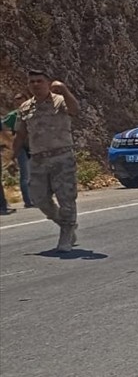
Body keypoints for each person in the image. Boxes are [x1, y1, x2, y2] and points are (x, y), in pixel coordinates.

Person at [12, 69, 81, 252]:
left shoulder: (59, 101)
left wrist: (65, 90)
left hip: (62, 157)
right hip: (38, 159)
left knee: (66, 198)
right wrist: (12, 155)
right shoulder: (25, 107)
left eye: (39, 81)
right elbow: (20, 135)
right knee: (38, 198)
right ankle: (66, 224)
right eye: (32, 82)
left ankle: (66, 234)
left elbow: (75, 110)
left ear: (47, 82)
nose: (35, 84)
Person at [3, 94, 33, 207]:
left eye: (21, 100)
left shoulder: (34, 113)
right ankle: (28, 201)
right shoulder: (13, 116)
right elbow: (3, 127)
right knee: (25, 175)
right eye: (17, 101)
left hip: (34, 147)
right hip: (21, 148)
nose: (19, 103)